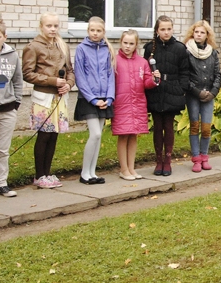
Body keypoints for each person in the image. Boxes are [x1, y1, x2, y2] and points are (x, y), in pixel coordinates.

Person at [22, 13, 74, 189]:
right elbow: (28, 74)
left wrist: (68, 84)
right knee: (44, 135)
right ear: (41, 26)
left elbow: (70, 70)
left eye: (55, 26)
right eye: (49, 26)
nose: (52, 29)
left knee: (54, 136)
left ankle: (48, 173)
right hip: (44, 98)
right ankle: (39, 174)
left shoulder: (62, 46)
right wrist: (52, 81)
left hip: (60, 98)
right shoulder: (33, 47)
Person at [144, 15, 189, 176]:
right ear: (157, 31)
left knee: (168, 126)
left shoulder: (179, 48)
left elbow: (185, 71)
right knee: (157, 126)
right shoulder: (150, 48)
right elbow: (145, 70)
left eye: (169, 29)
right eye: (162, 29)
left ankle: (168, 160)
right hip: (155, 91)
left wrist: (181, 89)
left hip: (172, 91)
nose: (166, 32)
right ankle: (158, 161)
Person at [73, 16, 115, 185]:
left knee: (99, 137)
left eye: (98, 31)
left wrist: (109, 97)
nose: (95, 33)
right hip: (88, 98)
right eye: (92, 30)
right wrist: (92, 99)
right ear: (88, 31)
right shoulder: (81, 49)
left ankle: (92, 172)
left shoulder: (106, 50)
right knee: (95, 133)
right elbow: (80, 76)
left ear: (103, 32)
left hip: (104, 98)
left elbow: (110, 74)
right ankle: (84, 173)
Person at [113, 30, 158, 180]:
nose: (127, 46)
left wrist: (153, 79)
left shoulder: (142, 62)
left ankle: (131, 168)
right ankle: (123, 168)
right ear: (121, 42)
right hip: (121, 103)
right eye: (125, 43)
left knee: (133, 135)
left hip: (137, 103)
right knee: (123, 135)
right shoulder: (114, 60)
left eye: (131, 44)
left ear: (136, 45)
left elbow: (146, 82)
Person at [184, 20, 221, 173]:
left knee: (206, 128)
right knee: (194, 126)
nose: (198, 35)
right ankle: (196, 159)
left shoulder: (212, 52)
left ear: (207, 36)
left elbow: (218, 74)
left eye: (202, 33)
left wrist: (212, 92)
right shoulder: (186, 51)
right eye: (196, 32)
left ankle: (204, 156)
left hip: (209, 96)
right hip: (193, 95)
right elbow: (185, 75)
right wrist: (197, 92)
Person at [0, 18, 23, 197]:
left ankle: (1, 182)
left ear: (5, 37)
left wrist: (17, 102)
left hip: (7, 109)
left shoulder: (12, 55)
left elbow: (17, 80)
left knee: (2, 149)